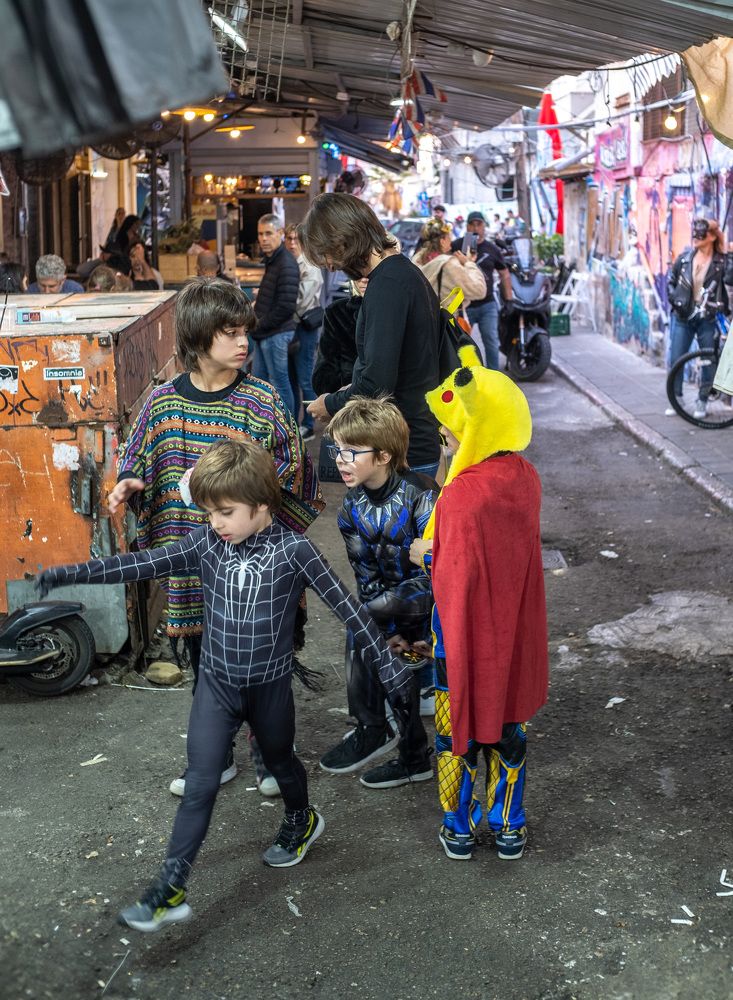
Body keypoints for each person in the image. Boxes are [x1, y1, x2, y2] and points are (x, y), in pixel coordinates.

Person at [36, 438, 419, 933]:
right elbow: (143, 564)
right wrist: (71, 573)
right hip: (216, 686)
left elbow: (350, 611)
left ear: (262, 505)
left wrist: (390, 671)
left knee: (281, 762)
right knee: (200, 783)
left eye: (225, 511)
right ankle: (170, 886)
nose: (215, 521)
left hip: (270, 688)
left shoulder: (295, 550)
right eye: (209, 511)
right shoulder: (205, 542)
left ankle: (301, 819)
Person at [107, 278, 324, 797]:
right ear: (200, 337)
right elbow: (137, 461)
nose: (243, 342)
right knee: (208, 663)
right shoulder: (163, 406)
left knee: (264, 662)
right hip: (196, 567)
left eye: (244, 331)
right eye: (229, 333)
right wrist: (131, 483)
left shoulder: (262, 399)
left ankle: (270, 753)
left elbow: (295, 471)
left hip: (257, 567)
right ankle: (217, 753)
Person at [410, 345, 549, 862]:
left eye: (452, 427)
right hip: (511, 631)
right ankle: (509, 823)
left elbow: (454, 571)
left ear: (476, 428)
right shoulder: (523, 478)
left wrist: (426, 551)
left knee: (456, 729)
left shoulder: (464, 495)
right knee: (510, 726)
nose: (443, 434)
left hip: (463, 635)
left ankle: (460, 825)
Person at [320, 397, 434, 788]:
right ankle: (414, 757)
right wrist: (385, 632)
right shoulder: (350, 509)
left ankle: (372, 727)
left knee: (361, 621)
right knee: (381, 649)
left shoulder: (422, 494)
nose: (340, 459)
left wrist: (375, 617)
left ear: (384, 454)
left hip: (431, 600)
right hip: (387, 606)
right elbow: (365, 575)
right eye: (337, 449)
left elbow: (437, 570)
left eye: (352, 452)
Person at [301, 193, 442, 478]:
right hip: (412, 438)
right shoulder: (402, 274)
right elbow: (394, 365)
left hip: (404, 447)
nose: (330, 265)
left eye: (328, 254)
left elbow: (376, 384)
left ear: (344, 239)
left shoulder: (387, 285)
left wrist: (329, 404)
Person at [666, 218, 733, 419]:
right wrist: (675, 300)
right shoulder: (685, 258)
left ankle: (702, 400)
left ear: (712, 236)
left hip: (708, 317)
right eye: (694, 233)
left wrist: (731, 255)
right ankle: (675, 398)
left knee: (708, 360)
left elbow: (730, 280)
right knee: (677, 357)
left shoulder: (721, 262)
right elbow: (671, 280)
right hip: (683, 316)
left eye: (701, 234)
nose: (696, 238)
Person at [250, 214, 300, 415]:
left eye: (268, 233)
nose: (263, 238)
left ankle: (288, 432)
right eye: (260, 234)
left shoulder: (286, 263)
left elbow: (286, 307)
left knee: (279, 385)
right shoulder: (274, 260)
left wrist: (258, 324)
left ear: (280, 233)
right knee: (259, 385)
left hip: (276, 334)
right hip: (266, 333)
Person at [451, 212, 513, 370]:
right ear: (467, 226)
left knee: (491, 341)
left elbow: (504, 273)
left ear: (484, 226)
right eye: (472, 224)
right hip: (464, 305)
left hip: (487, 304)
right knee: (462, 344)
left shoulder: (492, 249)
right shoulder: (457, 246)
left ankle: (494, 378)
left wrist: (509, 299)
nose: (476, 228)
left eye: (479, 224)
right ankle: (464, 377)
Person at [284, 224, 324, 441]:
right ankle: (295, 423)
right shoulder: (291, 262)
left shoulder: (309, 266)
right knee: (291, 378)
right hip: (291, 327)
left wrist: (282, 311)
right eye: (288, 238)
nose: (292, 243)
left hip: (304, 328)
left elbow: (301, 301)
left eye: (296, 239)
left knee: (305, 378)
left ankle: (309, 424)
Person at [413, 218, 487, 307]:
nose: (451, 243)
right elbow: (479, 291)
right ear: (442, 241)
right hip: (445, 319)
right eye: (449, 238)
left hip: (422, 318)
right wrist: (469, 263)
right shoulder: (448, 264)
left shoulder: (416, 260)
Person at [312, 278, 367, 396]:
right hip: (344, 401)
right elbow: (322, 376)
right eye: (356, 273)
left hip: (385, 404)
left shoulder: (393, 313)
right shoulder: (337, 311)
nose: (363, 279)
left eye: (369, 274)